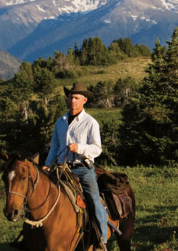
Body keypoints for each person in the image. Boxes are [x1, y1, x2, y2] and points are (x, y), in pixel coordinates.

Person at [42, 83, 108, 251]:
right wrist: (47, 165)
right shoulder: (61, 122)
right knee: (43, 196)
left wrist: (80, 148)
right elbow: (54, 147)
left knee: (93, 199)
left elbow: (97, 148)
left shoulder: (90, 123)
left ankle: (101, 239)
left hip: (82, 168)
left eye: (77, 98)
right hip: (62, 168)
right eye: (71, 97)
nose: (73, 100)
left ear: (84, 100)